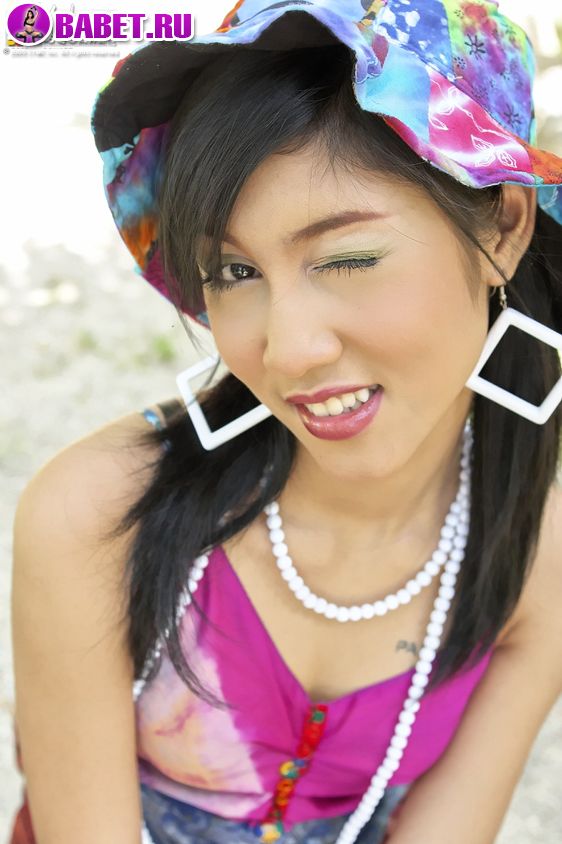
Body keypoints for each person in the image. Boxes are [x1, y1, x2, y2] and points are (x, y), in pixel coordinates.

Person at [9, 1, 562, 843]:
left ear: (507, 225)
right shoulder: (97, 517)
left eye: (346, 257)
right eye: (234, 271)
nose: (289, 349)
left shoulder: (537, 554)